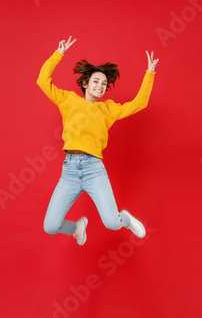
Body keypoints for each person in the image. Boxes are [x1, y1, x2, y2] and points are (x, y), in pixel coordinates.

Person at [37, 36, 159, 246]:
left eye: (104, 84)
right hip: (70, 171)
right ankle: (76, 228)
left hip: (94, 170)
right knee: (50, 226)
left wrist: (149, 73)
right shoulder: (68, 100)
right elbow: (42, 81)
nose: (100, 86)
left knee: (112, 222)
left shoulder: (108, 109)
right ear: (85, 83)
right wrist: (59, 54)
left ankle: (126, 219)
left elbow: (140, 103)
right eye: (95, 81)